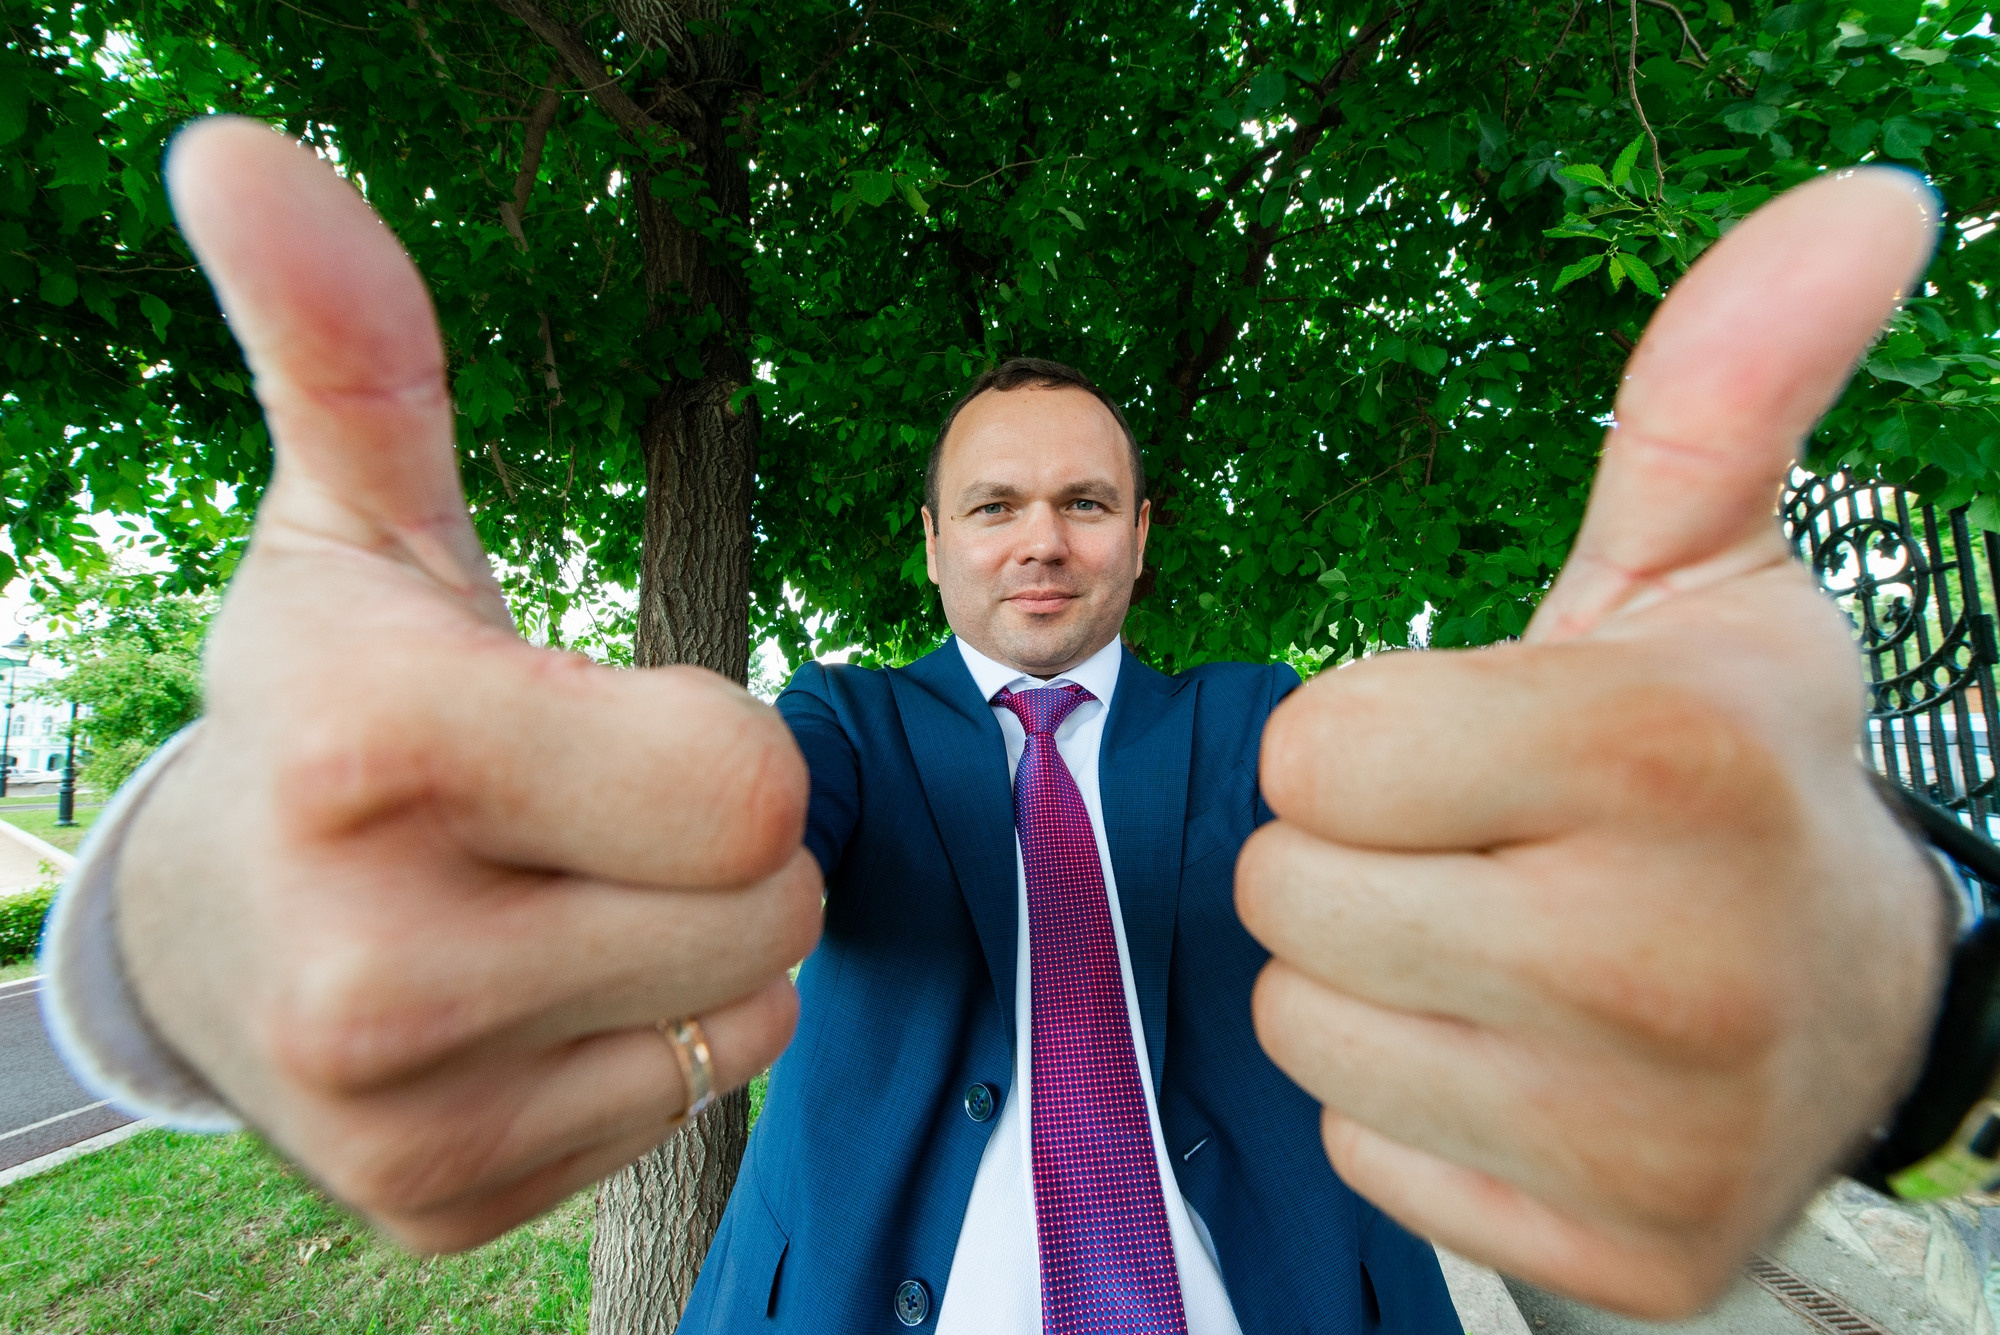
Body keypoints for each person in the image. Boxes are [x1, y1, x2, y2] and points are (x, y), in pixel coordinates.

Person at [41, 118, 1954, 1333]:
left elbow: (1562, 845)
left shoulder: (1274, 728)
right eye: (996, 505)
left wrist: (1903, 973)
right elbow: (700, 807)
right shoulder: (847, 734)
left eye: (1088, 502)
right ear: (934, 543)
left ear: (1141, 539)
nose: (1043, 537)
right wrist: (217, 898)